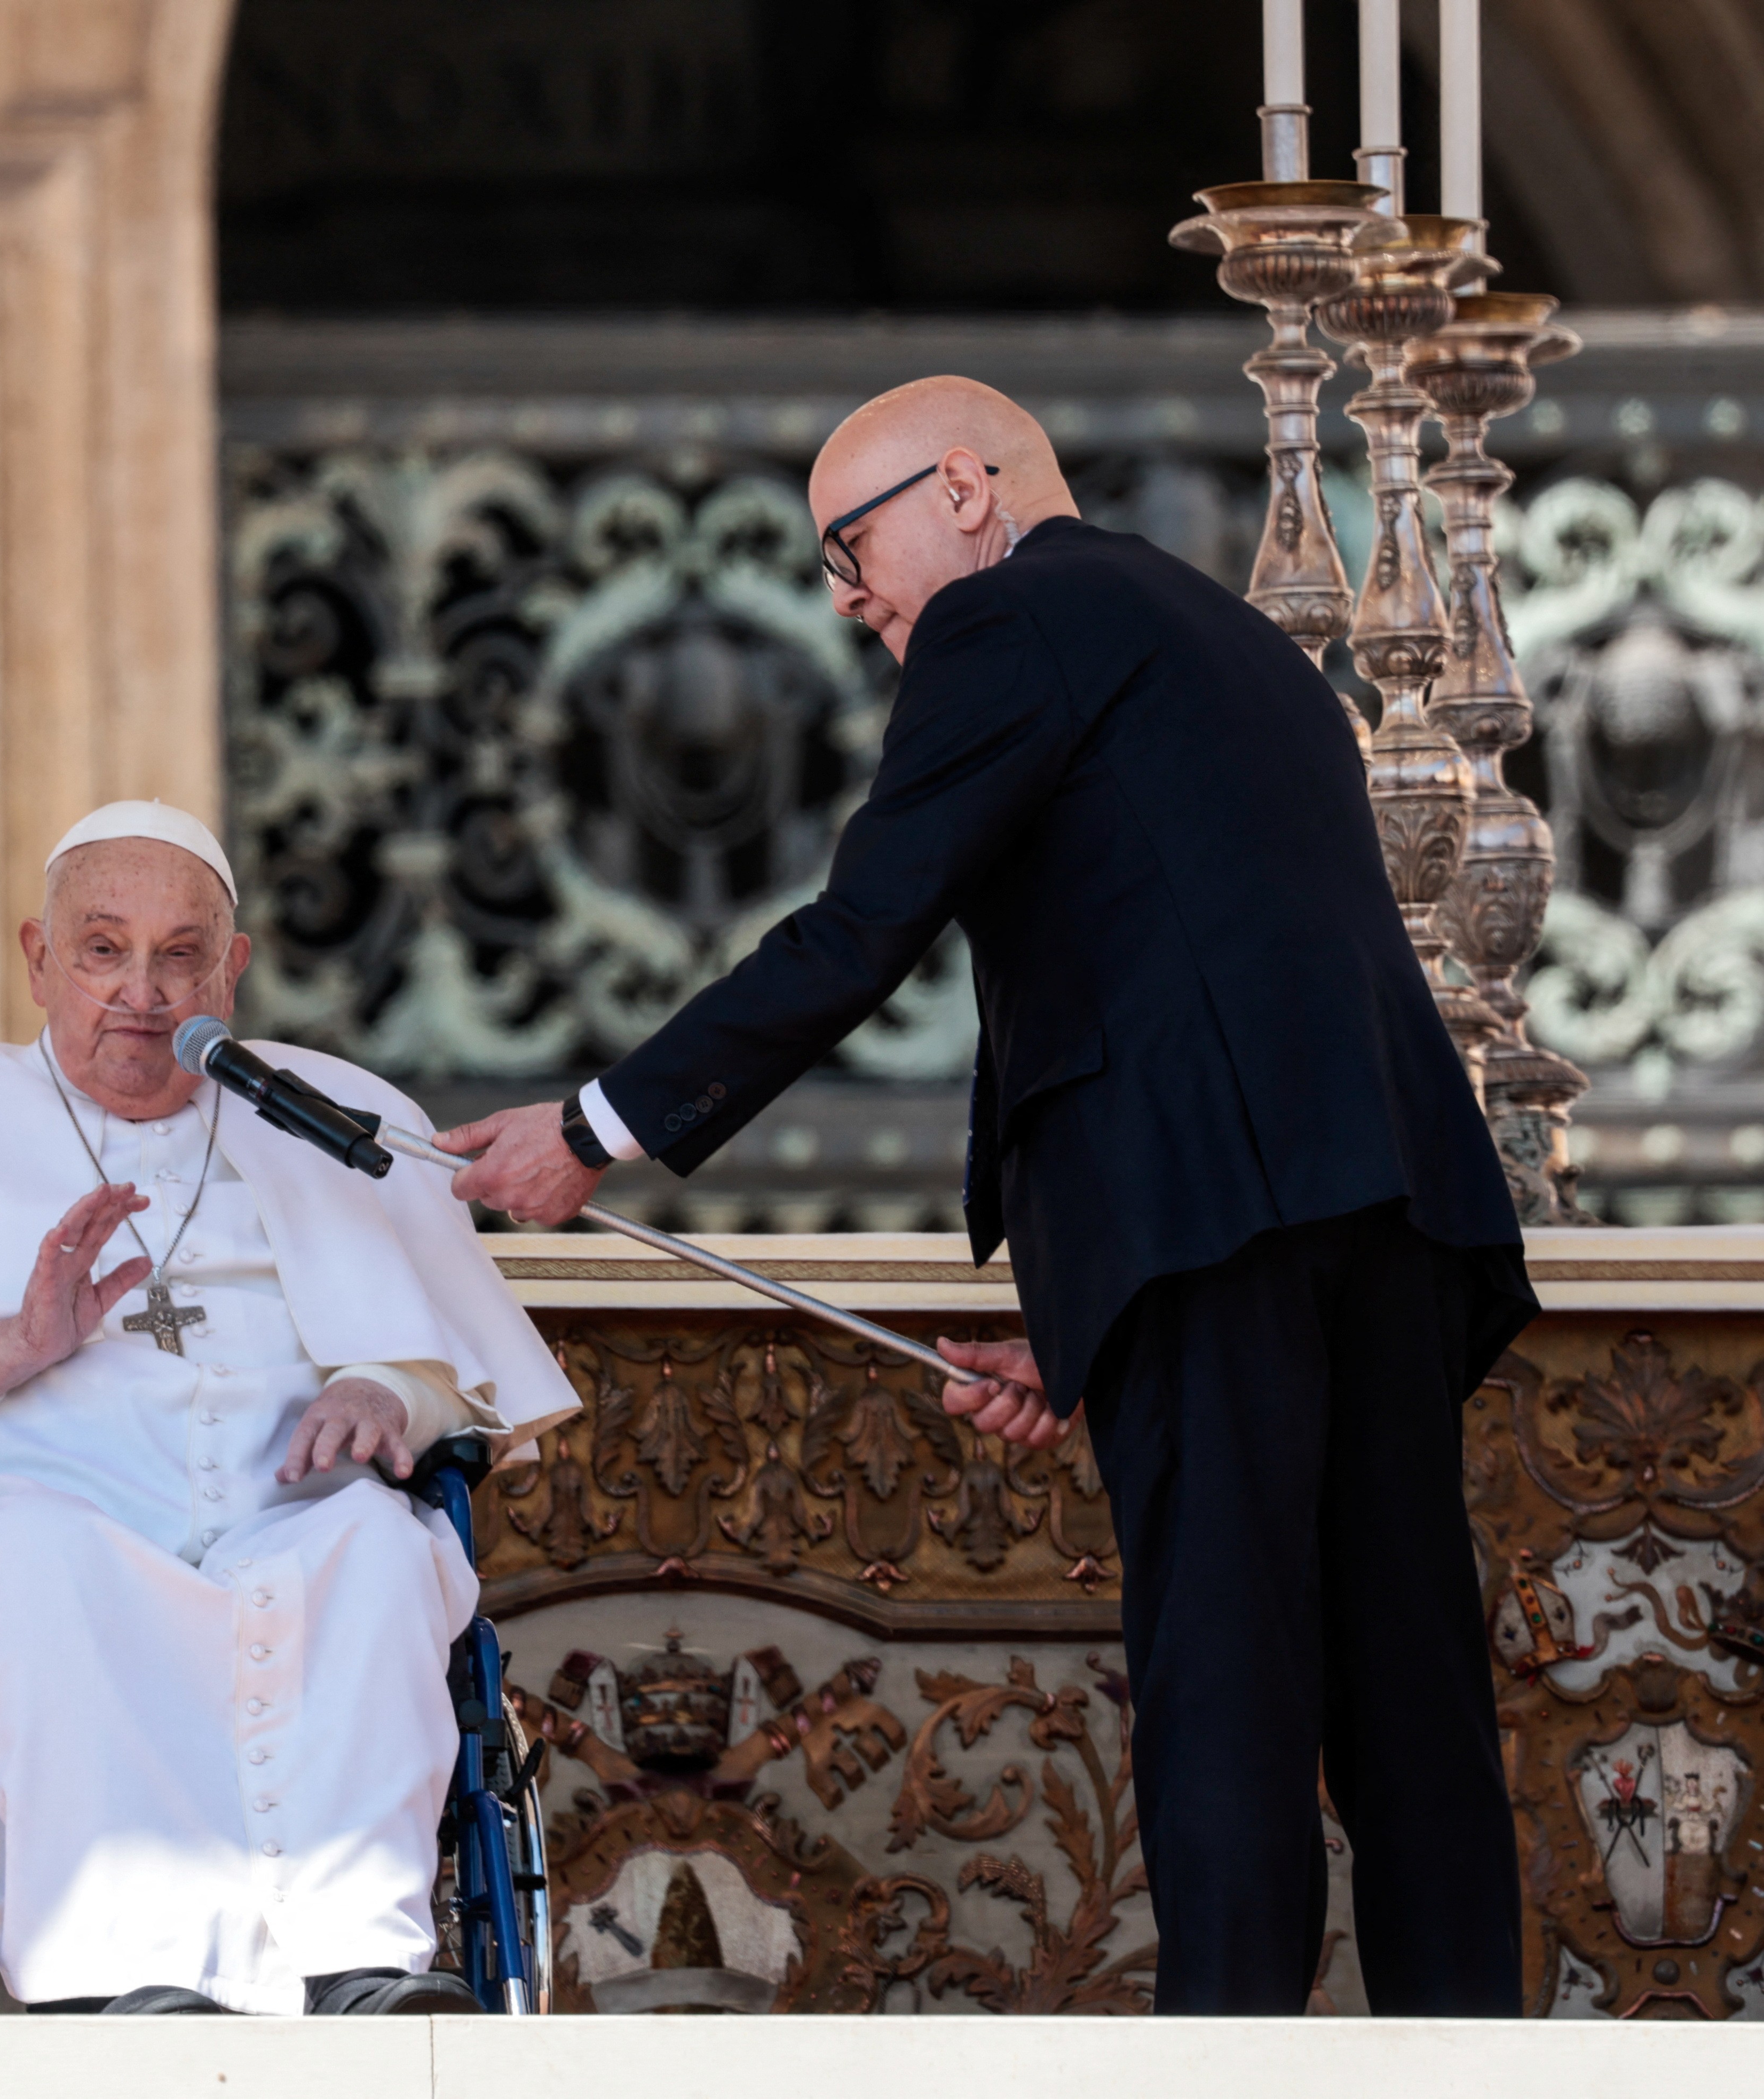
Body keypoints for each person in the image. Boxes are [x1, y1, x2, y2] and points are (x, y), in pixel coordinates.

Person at [440, 377, 1538, 2016]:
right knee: (1409, 1702)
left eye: (849, 542)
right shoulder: (1226, 635)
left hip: (1224, 1228)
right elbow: (1177, 961)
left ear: (964, 485)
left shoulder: (1010, 614)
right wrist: (1090, 1300)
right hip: (1378, 1202)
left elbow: (859, 928)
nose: (844, 594)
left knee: (1226, 1698)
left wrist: (596, 1122)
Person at [0, 799, 575, 2017]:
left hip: (291, 1516)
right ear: (37, 957)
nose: (144, 992)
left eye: (182, 954)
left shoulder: (339, 1114)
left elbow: (457, 1380)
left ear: (236, 967)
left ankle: (361, 1966)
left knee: (378, 1548)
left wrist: (389, 1386)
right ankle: (121, 1977)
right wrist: (1, 1353)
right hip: (29, 1507)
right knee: (49, 1571)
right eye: (104, 949)